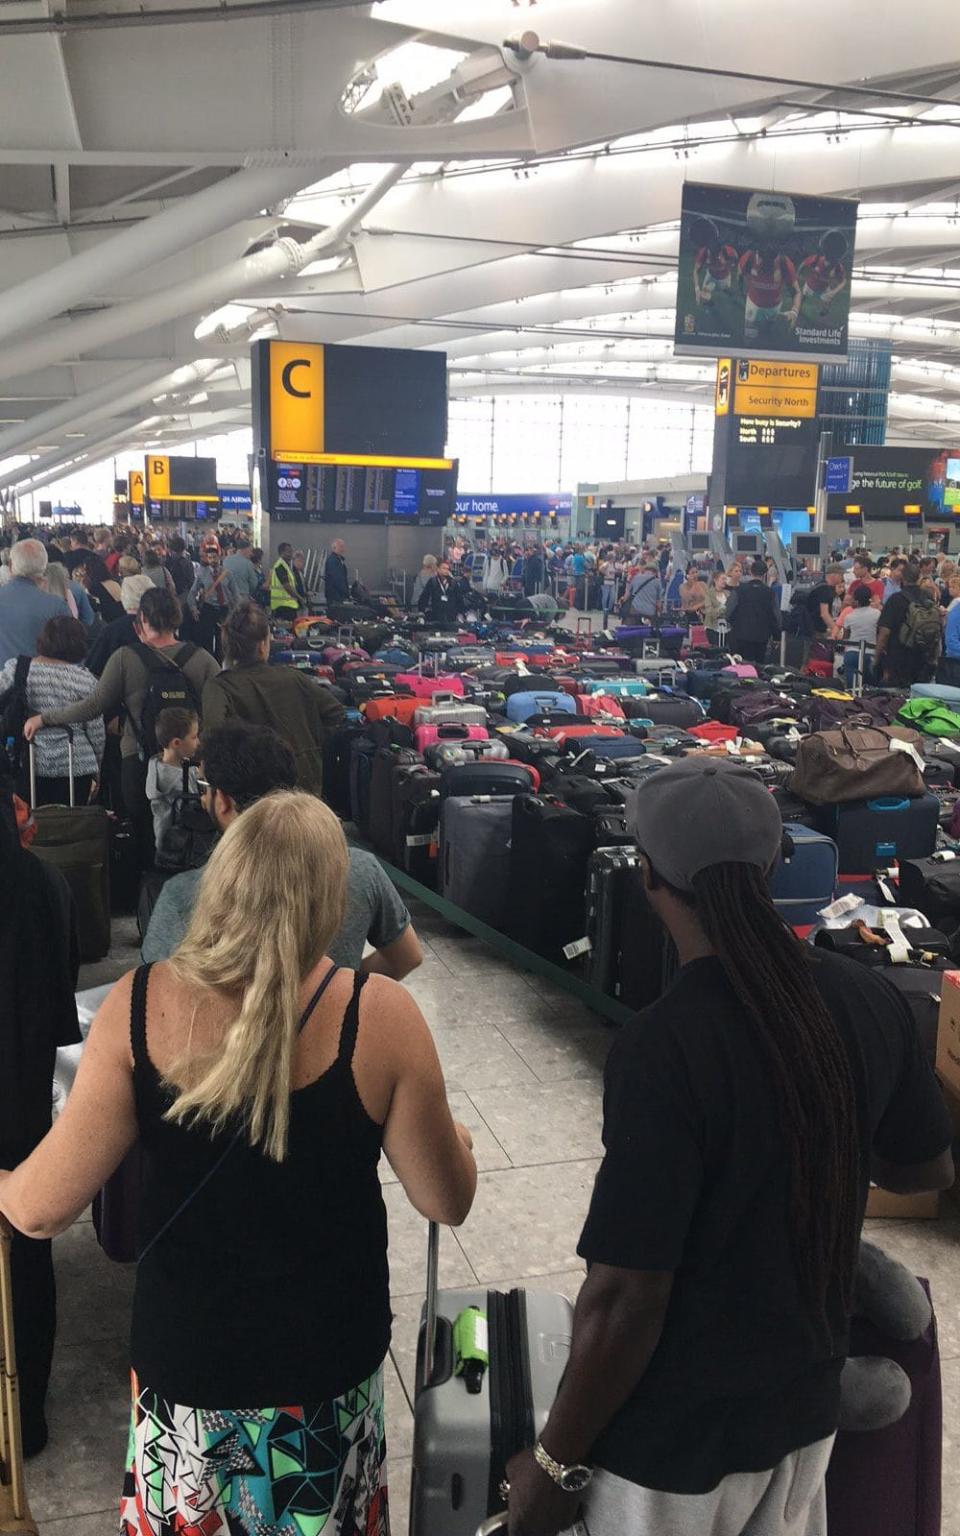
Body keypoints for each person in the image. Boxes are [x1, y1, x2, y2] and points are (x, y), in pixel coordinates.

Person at [0, 789, 475, 1531]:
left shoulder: (138, 1003)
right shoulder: (376, 1016)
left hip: (186, 1365)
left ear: (220, 880)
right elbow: (447, 1201)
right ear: (332, 899)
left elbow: (38, 1208)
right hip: (325, 1368)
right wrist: (458, 1145)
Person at [504, 758, 954, 1536]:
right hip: (803, 1418)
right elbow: (925, 1167)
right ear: (779, 862)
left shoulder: (662, 1047)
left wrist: (553, 1464)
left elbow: (626, 1297)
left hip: (672, 1456)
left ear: (649, 876)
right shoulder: (869, 1000)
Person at [142, 722, 425, 979]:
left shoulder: (185, 895)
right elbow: (407, 957)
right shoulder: (359, 870)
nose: (203, 797)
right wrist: (340, 994)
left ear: (223, 802)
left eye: (205, 787)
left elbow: (158, 996)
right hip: (334, 1031)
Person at [0, 766, 80, 1459]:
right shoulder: (43, 885)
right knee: (25, 1256)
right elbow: (63, 1016)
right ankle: (26, 1419)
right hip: (18, 1106)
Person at [25, 588, 220, 862]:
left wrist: (45, 718)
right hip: (190, 764)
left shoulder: (126, 658)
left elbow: (92, 706)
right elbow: (219, 712)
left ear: (142, 619)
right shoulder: (202, 659)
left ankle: (145, 892)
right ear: (177, 619)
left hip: (138, 760)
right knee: (192, 826)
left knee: (142, 831)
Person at [201, 601, 343, 794]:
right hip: (304, 787)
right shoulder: (294, 678)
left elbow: (213, 740)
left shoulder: (220, 687)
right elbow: (335, 713)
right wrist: (308, 745)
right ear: (262, 645)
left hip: (250, 794)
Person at [0, 616, 104, 805]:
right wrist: (97, 766)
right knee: (71, 826)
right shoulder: (86, 680)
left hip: (27, 762)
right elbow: (96, 732)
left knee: (29, 826)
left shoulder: (18, 669)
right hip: (77, 764)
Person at [0, 540, 69, 667]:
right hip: (42, 682)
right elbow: (69, 655)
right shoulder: (57, 606)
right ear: (44, 566)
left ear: (10, 566)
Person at [874, 561, 943, 687]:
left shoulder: (896, 599)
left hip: (899, 658)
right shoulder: (927, 596)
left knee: (896, 698)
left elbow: (885, 632)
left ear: (903, 577)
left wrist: (877, 657)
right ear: (918, 577)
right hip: (924, 656)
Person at [146, 705, 200, 857]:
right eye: (194, 737)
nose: (198, 742)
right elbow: (193, 810)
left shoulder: (165, 765)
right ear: (176, 743)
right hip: (178, 851)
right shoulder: (170, 781)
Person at [724, 558, 781, 666]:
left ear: (750, 572)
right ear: (765, 573)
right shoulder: (770, 593)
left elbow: (727, 611)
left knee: (740, 667)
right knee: (759, 668)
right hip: (762, 637)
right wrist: (777, 636)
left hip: (740, 636)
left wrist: (733, 623)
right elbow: (776, 616)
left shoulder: (739, 590)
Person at [187, 541, 233, 656]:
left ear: (219, 557)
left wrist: (235, 610)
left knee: (222, 640)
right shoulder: (202, 574)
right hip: (209, 608)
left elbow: (235, 593)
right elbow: (192, 592)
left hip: (224, 608)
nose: (212, 560)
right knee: (206, 638)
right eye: (209, 557)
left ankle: (220, 663)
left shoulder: (227, 573)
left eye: (214, 557)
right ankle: (209, 662)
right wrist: (193, 608)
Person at [838, 586, 880, 690]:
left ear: (856, 601)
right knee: (870, 688)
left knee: (852, 688)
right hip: (870, 653)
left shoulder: (849, 616)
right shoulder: (877, 614)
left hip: (852, 653)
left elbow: (845, 636)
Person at [74, 551, 125, 623]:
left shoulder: (94, 588)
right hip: (121, 617)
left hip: (108, 621)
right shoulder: (114, 583)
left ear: (90, 571)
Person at [417, 559, 465, 628]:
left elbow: (459, 599)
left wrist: (460, 613)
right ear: (438, 569)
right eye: (444, 568)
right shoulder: (432, 582)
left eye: (447, 569)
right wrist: (421, 612)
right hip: (435, 616)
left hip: (451, 617)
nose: (446, 571)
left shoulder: (453, 583)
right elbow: (424, 597)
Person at [804, 564, 845, 638]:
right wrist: (836, 631)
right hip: (815, 630)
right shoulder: (824, 590)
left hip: (811, 626)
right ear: (834, 575)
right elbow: (824, 614)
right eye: (841, 575)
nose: (842, 578)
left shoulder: (820, 585)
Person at [223, 537, 261, 607]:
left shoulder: (226, 560)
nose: (251, 553)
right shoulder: (248, 563)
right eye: (250, 550)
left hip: (228, 597)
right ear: (245, 549)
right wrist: (248, 592)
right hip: (242, 596)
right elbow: (253, 583)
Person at [269, 540, 300, 621]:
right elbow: (286, 586)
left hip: (287, 604)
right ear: (282, 553)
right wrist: (299, 598)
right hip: (283, 606)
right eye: (289, 552)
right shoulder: (280, 566)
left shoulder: (286, 565)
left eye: (291, 551)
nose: (291, 554)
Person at [164, 535, 195, 600]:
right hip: (183, 595)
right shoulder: (187, 563)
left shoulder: (166, 562)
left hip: (169, 595)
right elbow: (191, 581)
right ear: (184, 548)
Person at [702, 569, 727, 644]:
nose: (725, 581)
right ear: (715, 580)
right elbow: (710, 612)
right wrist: (723, 608)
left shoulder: (728, 593)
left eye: (725, 579)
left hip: (726, 628)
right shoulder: (708, 594)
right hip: (712, 628)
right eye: (723, 579)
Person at [323, 538, 350, 608]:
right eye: (341, 546)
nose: (343, 548)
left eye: (343, 546)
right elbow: (337, 579)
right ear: (334, 548)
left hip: (339, 597)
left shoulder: (339, 561)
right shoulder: (332, 561)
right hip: (335, 597)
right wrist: (346, 593)